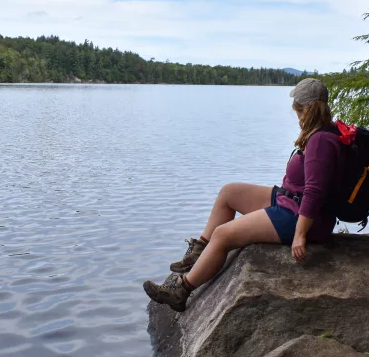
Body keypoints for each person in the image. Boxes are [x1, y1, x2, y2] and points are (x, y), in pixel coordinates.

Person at [143, 78, 344, 312]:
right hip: (290, 200)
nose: (295, 113)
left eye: (297, 108)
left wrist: (300, 234)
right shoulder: (323, 131)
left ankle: (181, 290)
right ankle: (199, 253)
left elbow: (315, 192)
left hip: (301, 215)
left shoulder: (321, 140)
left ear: (306, 109)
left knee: (224, 235)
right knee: (230, 192)